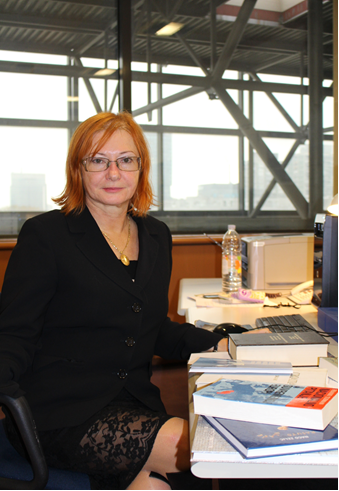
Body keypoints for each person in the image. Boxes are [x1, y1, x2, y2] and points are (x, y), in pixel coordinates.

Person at [0, 111, 225, 490]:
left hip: (135, 402)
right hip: (61, 410)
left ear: (140, 168)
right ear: (79, 170)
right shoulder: (46, 235)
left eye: (126, 160)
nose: (113, 172)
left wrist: (223, 343)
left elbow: (151, 328)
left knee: (157, 485)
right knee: (205, 448)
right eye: (98, 161)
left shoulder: (156, 236)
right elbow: (15, 333)